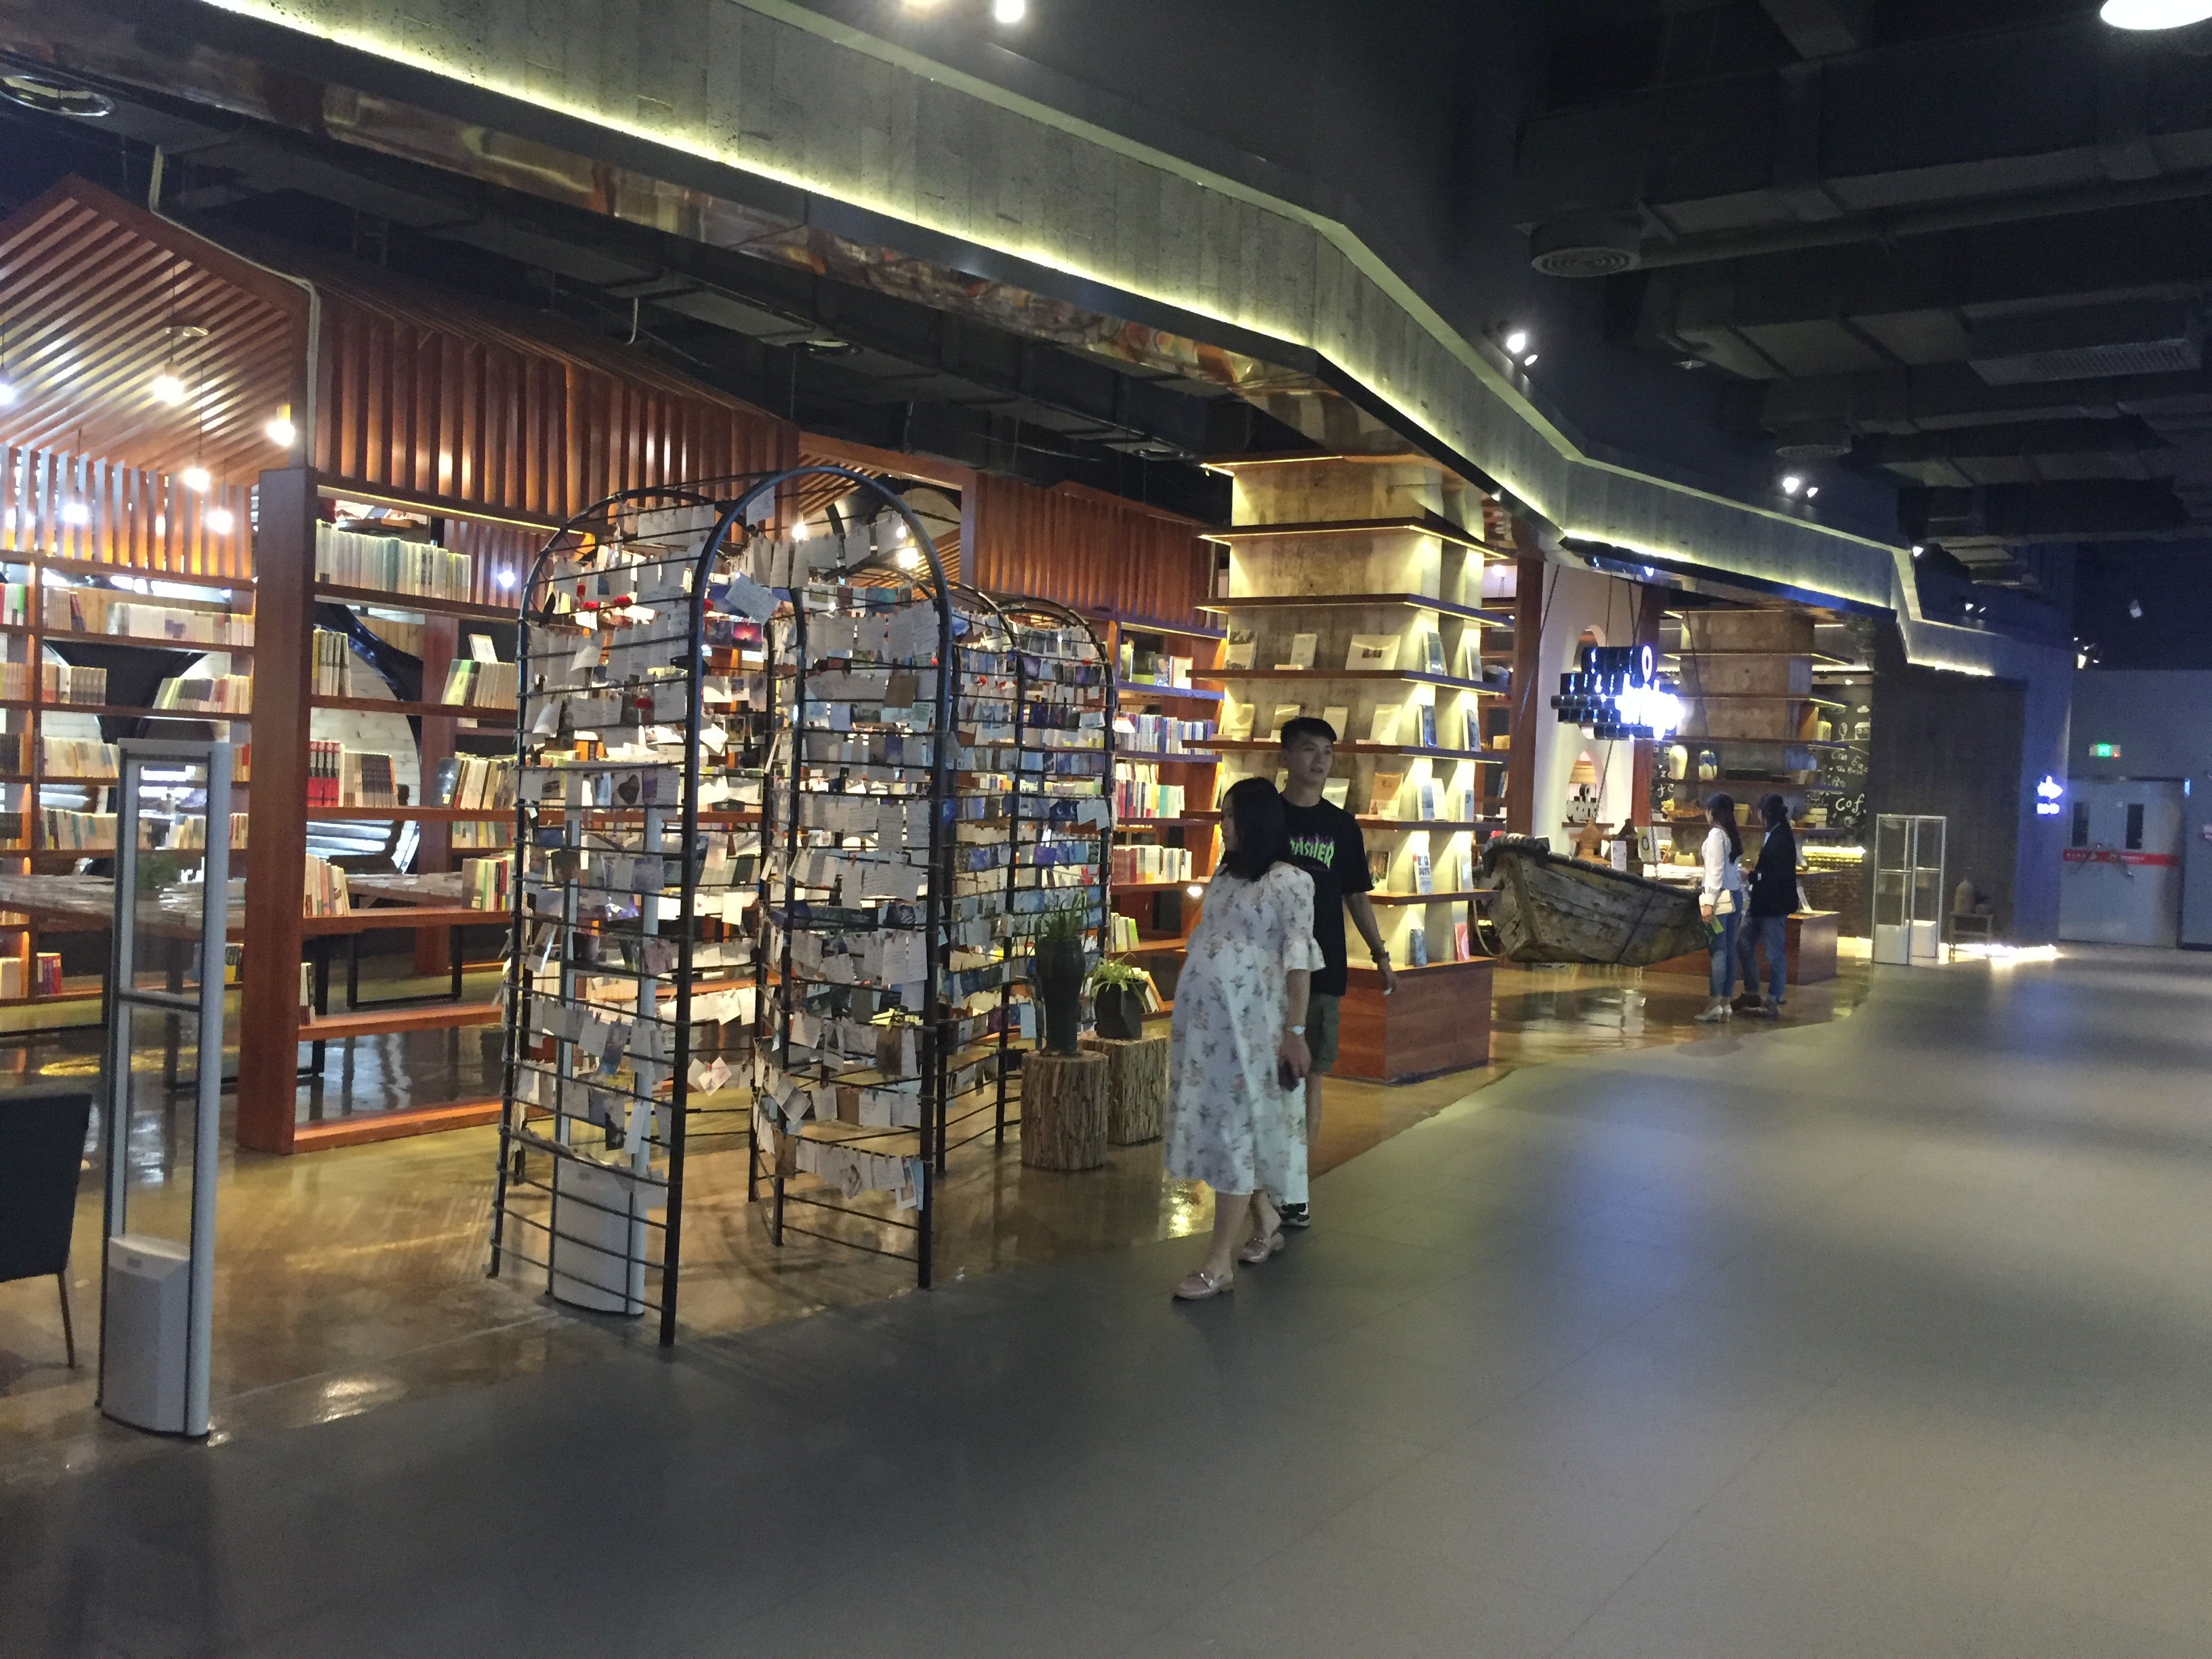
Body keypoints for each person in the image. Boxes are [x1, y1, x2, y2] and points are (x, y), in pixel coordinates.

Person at [1164, 777, 1321, 1300]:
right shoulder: (1226, 876)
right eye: (1222, 815)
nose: (1223, 826)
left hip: (1251, 1030)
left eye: (1231, 816)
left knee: (1236, 1127)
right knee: (1221, 1125)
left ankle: (1217, 1262)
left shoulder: (1291, 882)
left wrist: (1295, 1031)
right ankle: (1266, 1220)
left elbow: (1299, 963)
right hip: (1207, 1032)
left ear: (1256, 820)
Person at [1275, 716, 1395, 1229]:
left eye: (1327, 751)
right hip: (1265, 969)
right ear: (1285, 756)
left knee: (1311, 1075)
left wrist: (1380, 953)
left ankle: (1295, 1187)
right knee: (1262, 1075)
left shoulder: (1342, 827)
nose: (1320, 760)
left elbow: (1355, 895)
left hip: (1322, 969)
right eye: (1308, 749)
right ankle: (1260, 1181)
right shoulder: (1265, 817)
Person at [1738, 793, 1797, 1018]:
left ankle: (1773, 999)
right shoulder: (1775, 833)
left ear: (1766, 814)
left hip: (1774, 904)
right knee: (1743, 943)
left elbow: (1777, 875)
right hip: (1761, 902)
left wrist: (1752, 876)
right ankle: (1752, 992)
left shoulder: (1782, 838)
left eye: (1760, 813)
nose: (1758, 817)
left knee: (1774, 953)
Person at [1694, 792, 1746, 1024]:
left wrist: (1708, 901)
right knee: (1729, 950)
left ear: (1712, 812)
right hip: (1735, 896)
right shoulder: (1731, 834)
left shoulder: (1716, 835)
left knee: (1719, 951)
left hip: (1720, 900)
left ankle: (1713, 1004)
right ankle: (1725, 1003)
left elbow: (1715, 872)